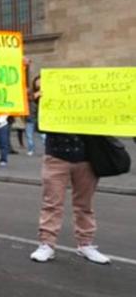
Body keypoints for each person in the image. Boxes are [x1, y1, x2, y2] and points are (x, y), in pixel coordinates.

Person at [30, 129, 110, 265]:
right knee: (52, 203)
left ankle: (85, 243)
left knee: (84, 204)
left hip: (87, 156)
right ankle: (47, 243)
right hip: (57, 155)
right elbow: (40, 125)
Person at [25, 76, 42, 155]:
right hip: (31, 116)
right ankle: (30, 149)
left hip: (41, 116)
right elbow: (28, 98)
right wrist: (36, 94)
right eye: (37, 82)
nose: (38, 83)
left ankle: (46, 150)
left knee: (43, 135)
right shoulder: (30, 91)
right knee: (29, 135)